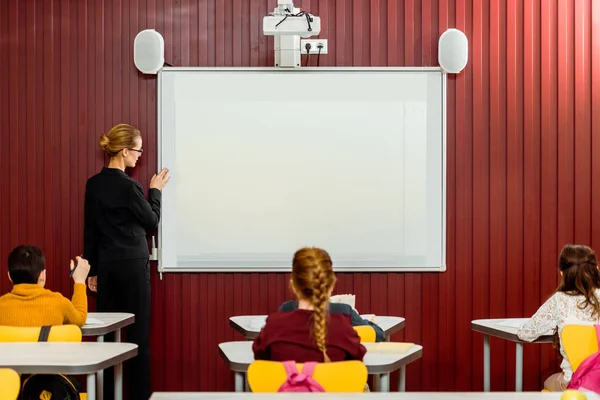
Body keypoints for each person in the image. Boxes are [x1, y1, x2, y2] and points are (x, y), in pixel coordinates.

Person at [83, 123, 170, 400]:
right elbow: (151, 220)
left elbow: (91, 230)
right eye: (137, 150)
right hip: (133, 265)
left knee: (108, 337)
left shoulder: (93, 185)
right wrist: (155, 191)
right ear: (123, 152)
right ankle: (139, 395)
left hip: (108, 266)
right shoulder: (131, 187)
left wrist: (93, 270)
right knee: (138, 336)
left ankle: (108, 395)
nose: (140, 155)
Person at [253, 247, 366, 362]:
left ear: (293, 285)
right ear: (331, 286)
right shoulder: (343, 329)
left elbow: (261, 359)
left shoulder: (274, 326)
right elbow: (357, 361)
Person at [517, 244, 600, 391]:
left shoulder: (559, 300)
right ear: (596, 269)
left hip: (577, 384)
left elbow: (526, 334)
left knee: (549, 381)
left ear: (562, 273)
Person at [0, 245, 90, 327]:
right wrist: (80, 281)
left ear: (9, 276)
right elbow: (80, 319)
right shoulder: (59, 303)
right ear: (43, 275)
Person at [278, 298, 385, 342]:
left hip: (294, 386)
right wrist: (364, 321)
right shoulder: (343, 311)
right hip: (341, 385)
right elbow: (379, 334)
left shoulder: (286, 310)